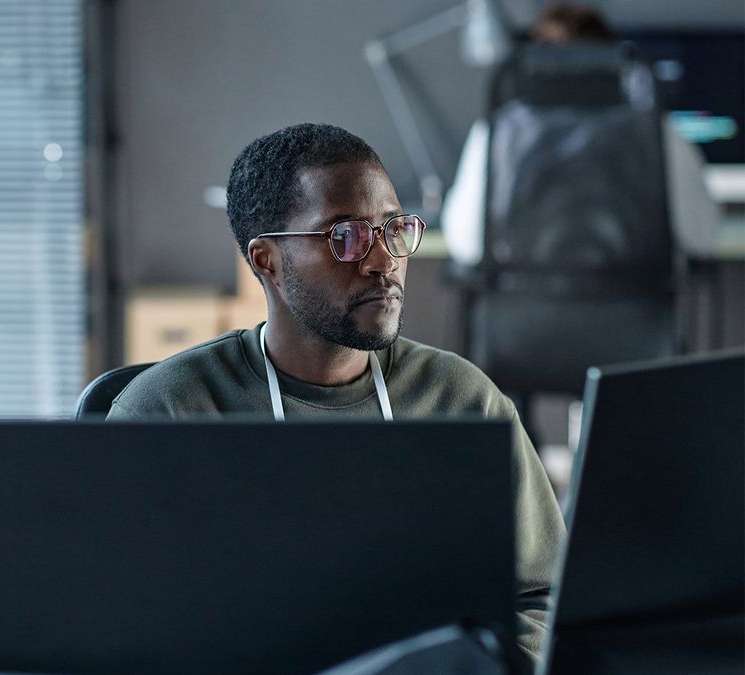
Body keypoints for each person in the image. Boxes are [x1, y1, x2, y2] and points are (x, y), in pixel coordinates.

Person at [106, 122, 564, 662]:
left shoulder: (462, 402)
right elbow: (119, 628)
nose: (383, 260)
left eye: (394, 229)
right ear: (266, 261)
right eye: (345, 237)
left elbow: (541, 601)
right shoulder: (170, 411)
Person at [440, 2, 722, 266]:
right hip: (633, 313)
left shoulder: (500, 134)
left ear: (535, 65)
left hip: (524, 311)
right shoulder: (655, 133)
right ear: (611, 63)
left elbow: (465, 241)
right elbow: (704, 236)